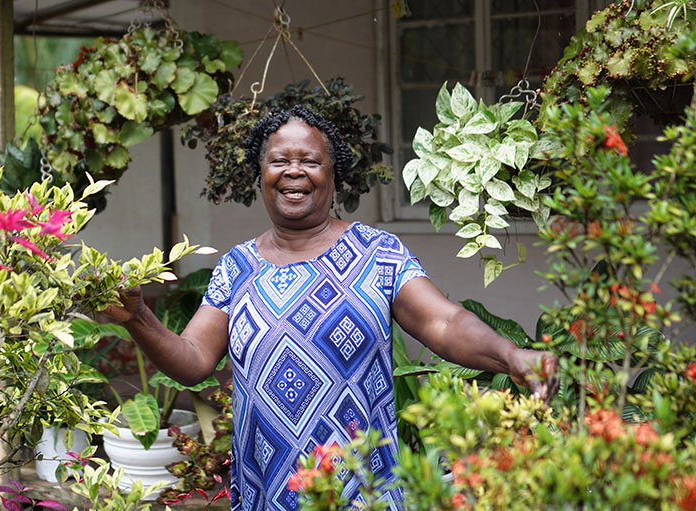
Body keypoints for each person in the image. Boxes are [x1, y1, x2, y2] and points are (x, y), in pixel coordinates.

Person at [103, 105, 558, 511]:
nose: (293, 172)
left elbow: (443, 321)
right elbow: (193, 361)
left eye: (310, 161)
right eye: (279, 161)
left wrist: (510, 354)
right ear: (261, 174)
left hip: (362, 492)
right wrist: (140, 318)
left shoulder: (377, 254)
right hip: (268, 494)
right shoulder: (236, 268)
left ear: (333, 174)